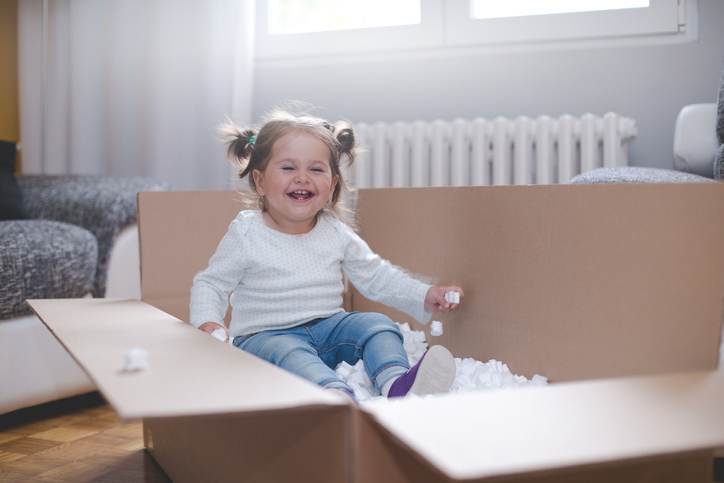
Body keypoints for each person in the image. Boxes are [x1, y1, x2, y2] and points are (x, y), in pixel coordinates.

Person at [190, 110, 464, 401]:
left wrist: (424, 294)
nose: (303, 178)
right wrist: (209, 322)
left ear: (332, 185)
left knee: (378, 325)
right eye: (288, 168)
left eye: (316, 170)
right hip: (266, 337)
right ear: (260, 181)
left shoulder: (334, 231)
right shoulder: (246, 233)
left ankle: (397, 383)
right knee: (290, 353)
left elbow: (376, 276)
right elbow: (211, 284)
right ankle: (332, 395)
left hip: (330, 328)